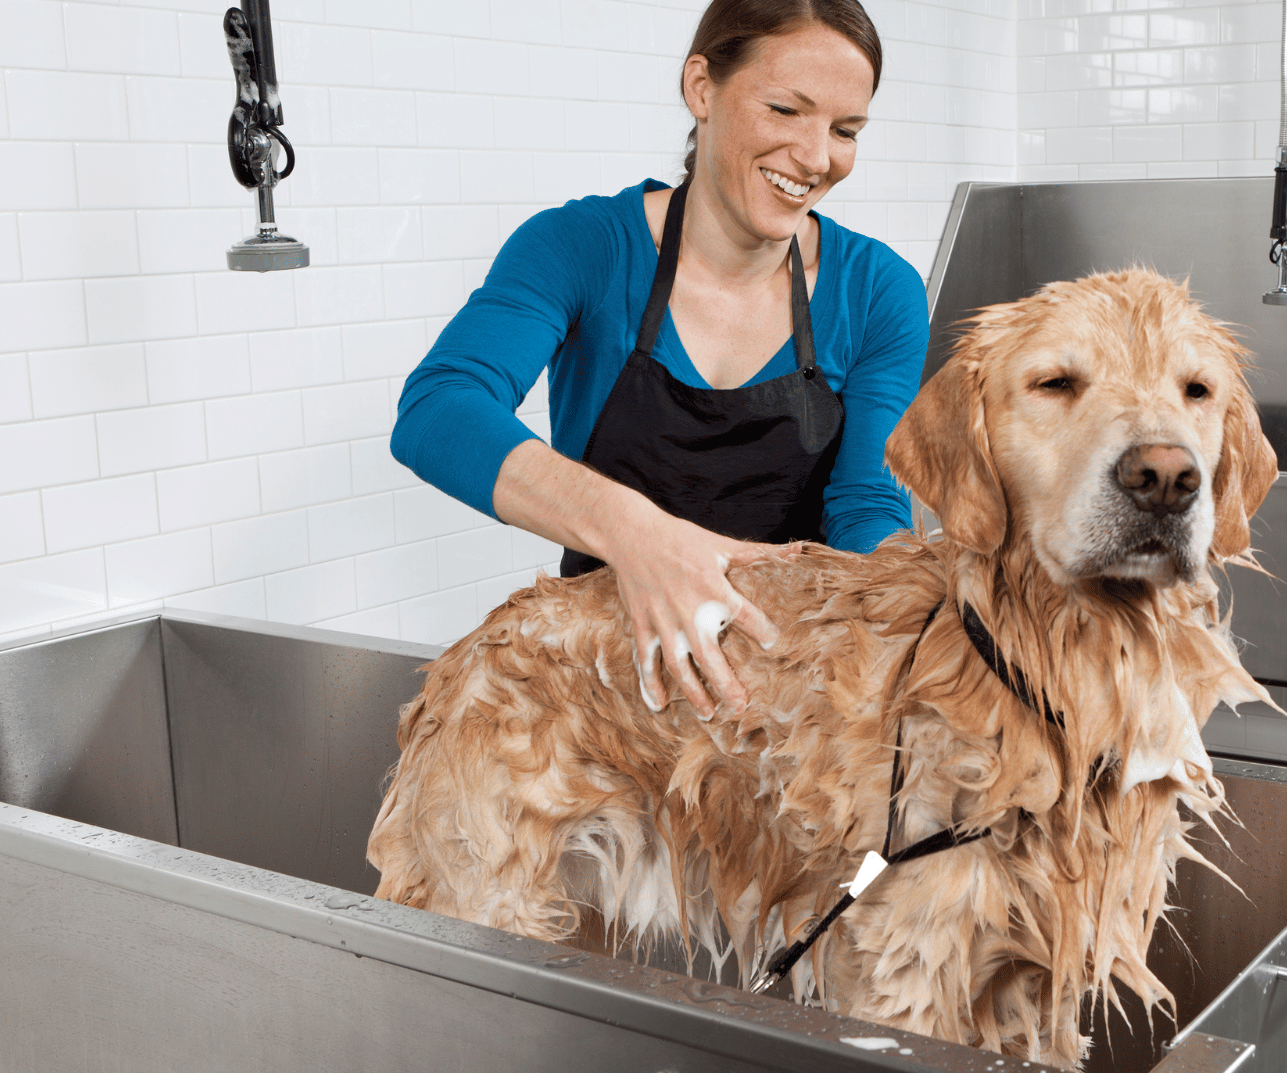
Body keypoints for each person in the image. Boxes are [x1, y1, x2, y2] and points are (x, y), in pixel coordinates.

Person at [390, 0, 927, 726]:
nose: (815, 156)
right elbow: (438, 410)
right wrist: (640, 535)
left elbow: (865, 501)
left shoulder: (878, 289)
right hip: (604, 699)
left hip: (794, 698)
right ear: (701, 88)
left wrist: (905, 620)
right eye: (785, 110)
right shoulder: (583, 247)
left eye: (844, 130)